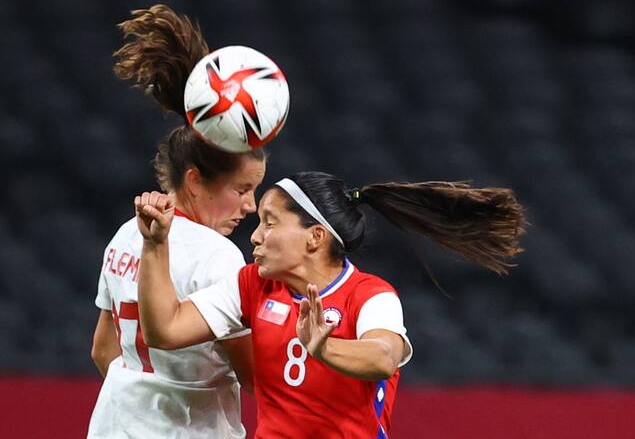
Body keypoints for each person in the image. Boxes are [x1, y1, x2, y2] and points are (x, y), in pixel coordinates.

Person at [133, 171, 527, 438]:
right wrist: (155, 245)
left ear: (315, 237)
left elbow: (383, 356)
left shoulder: (370, 295)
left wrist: (325, 348)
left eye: (270, 222)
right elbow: (165, 331)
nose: (255, 236)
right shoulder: (253, 284)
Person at [87, 5, 266, 438]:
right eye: (242, 190)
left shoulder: (126, 234)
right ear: (194, 180)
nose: (251, 206)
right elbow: (254, 377)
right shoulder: (218, 257)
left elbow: (102, 349)